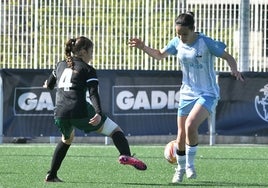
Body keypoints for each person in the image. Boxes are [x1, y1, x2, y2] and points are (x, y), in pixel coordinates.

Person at [128, 12, 244, 183]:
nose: (181, 37)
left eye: (184, 34)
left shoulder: (206, 43)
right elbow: (160, 55)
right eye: (178, 34)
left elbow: (228, 57)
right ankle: (180, 169)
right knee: (181, 135)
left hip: (207, 93)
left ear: (193, 30)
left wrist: (234, 69)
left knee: (191, 125)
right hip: (186, 93)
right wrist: (143, 47)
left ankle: (189, 165)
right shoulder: (177, 43)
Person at [43, 36, 147, 182]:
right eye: (91, 51)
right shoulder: (87, 69)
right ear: (84, 51)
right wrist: (98, 113)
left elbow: (49, 85)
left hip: (59, 113)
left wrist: (47, 84)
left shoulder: (60, 65)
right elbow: (93, 93)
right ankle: (125, 154)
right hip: (79, 110)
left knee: (67, 139)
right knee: (115, 130)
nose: (92, 55)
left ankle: (51, 175)